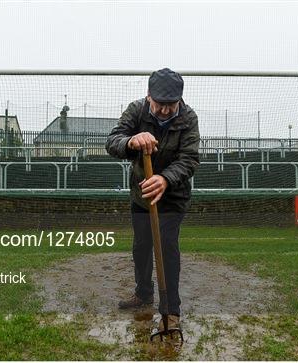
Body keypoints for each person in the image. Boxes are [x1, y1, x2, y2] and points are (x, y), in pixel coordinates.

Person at [105, 68, 200, 330]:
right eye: (161, 104)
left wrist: (165, 179)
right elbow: (112, 141)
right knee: (141, 247)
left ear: (179, 100)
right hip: (141, 196)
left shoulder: (189, 118)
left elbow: (189, 159)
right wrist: (131, 140)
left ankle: (171, 312)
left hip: (172, 197)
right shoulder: (136, 110)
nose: (167, 111)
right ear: (149, 97)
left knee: (167, 248)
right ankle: (143, 293)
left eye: (172, 105)